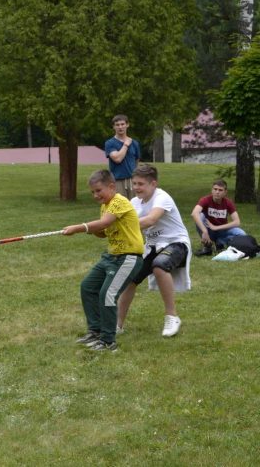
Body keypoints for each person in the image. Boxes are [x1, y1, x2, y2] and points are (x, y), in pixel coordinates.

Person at [62, 169, 144, 352]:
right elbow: (104, 231)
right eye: (92, 192)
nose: (95, 195)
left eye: (98, 190)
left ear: (112, 186)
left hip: (128, 257)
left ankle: (108, 341)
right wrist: (93, 229)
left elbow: (105, 223)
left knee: (107, 294)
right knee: (88, 287)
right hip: (111, 256)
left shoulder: (119, 202)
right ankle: (95, 331)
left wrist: (79, 228)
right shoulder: (105, 206)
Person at [116, 164, 190, 338]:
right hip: (152, 247)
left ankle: (172, 317)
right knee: (129, 277)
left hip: (176, 243)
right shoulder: (134, 203)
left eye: (140, 184)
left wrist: (120, 225)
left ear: (153, 184)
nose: (136, 187)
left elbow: (150, 220)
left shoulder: (162, 197)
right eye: (134, 183)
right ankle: (117, 325)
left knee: (159, 265)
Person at [191, 179, 247, 256]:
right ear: (212, 190)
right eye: (215, 189)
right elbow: (194, 213)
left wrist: (216, 227)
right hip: (209, 231)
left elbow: (237, 222)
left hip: (222, 231)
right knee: (200, 215)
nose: (217, 192)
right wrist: (204, 231)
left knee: (242, 234)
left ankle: (220, 242)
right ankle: (207, 247)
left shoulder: (228, 203)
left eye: (220, 190)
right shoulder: (205, 200)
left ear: (225, 192)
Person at [104, 114, 141, 200]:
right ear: (113, 127)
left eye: (122, 124)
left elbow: (136, 161)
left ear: (127, 125)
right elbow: (117, 159)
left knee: (134, 205)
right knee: (120, 206)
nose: (120, 127)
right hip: (117, 181)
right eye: (117, 125)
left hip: (132, 181)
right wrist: (126, 145)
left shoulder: (135, 143)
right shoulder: (110, 143)